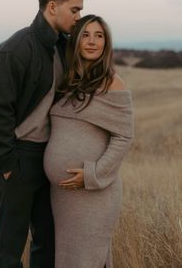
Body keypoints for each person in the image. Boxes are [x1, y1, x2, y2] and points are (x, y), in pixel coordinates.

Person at [0, 0, 90, 268]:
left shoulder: (62, 46)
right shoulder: (14, 50)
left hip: (45, 158)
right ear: (52, 6)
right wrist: (8, 166)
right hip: (16, 157)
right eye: (74, 9)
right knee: (9, 248)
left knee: (47, 242)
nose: (78, 17)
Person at [44, 14, 134, 268]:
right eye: (85, 35)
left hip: (94, 192)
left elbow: (124, 136)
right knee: (70, 258)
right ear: (75, 42)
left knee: (87, 258)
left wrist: (92, 175)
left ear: (106, 42)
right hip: (63, 195)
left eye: (99, 35)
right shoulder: (66, 82)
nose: (92, 41)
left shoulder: (112, 84)